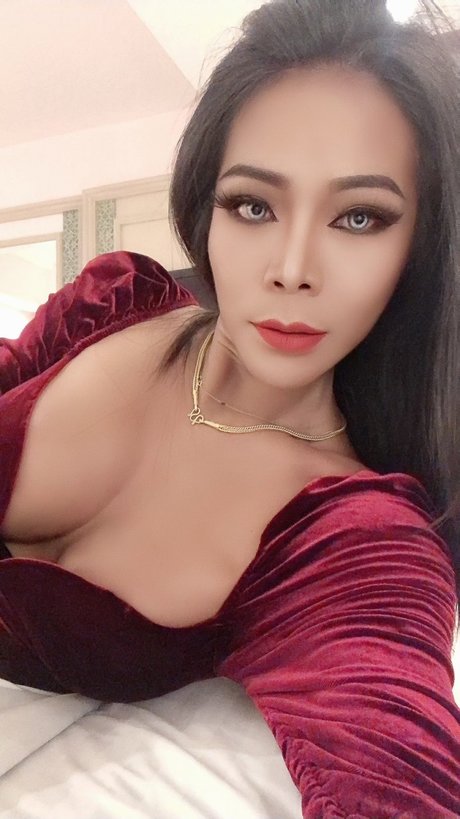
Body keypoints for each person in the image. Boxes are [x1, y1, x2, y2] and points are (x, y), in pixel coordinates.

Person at [0, 0, 459, 815]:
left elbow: (399, 779)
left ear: (416, 249)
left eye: (359, 217)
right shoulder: (111, 303)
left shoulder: (350, 538)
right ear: (206, 207)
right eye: (253, 204)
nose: (291, 267)